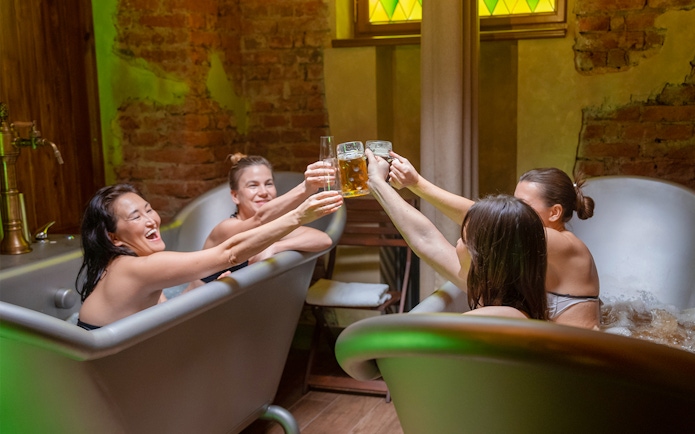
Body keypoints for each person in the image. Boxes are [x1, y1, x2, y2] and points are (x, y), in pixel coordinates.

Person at [75, 183, 343, 329]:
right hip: (99, 367)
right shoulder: (137, 267)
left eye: (149, 209)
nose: (151, 221)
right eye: (136, 217)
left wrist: (201, 293)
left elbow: (159, 316)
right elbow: (228, 253)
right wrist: (298, 216)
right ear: (114, 237)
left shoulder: (128, 266)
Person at [384, 151, 599, 329]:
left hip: (578, 363)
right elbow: (426, 241)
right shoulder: (524, 259)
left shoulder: (569, 247)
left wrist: (417, 183)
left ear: (555, 213)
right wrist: (378, 184)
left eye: (524, 204)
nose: (515, 210)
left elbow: (488, 221)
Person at [366, 150, 548, 320]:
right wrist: (378, 184)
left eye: (465, 240)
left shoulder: (497, 317)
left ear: (484, 258)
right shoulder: (504, 291)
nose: (458, 244)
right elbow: (425, 238)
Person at [187, 153, 335, 287]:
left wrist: (275, 246)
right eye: (253, 186)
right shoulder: (226, 229)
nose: (264, 192)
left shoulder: (272, 229)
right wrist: (306, 188)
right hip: (188, 310)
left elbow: (324, 240)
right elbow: (259, 219)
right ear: (235, 196)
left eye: (269, 184)